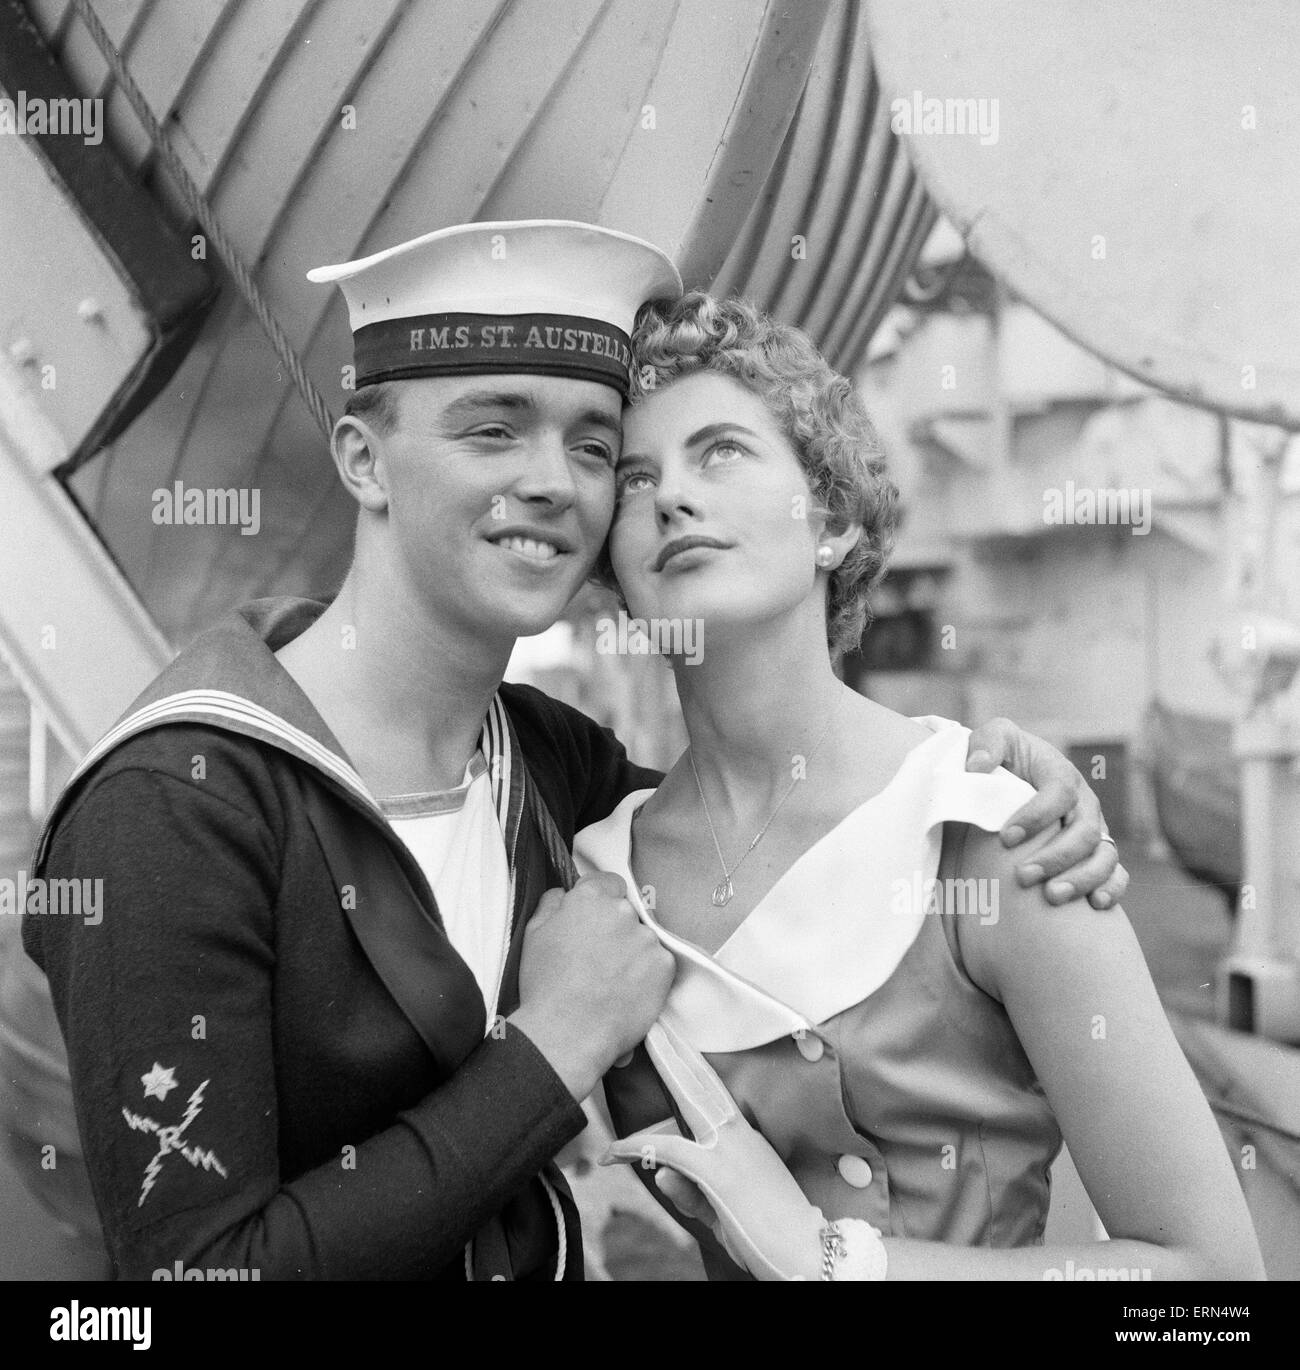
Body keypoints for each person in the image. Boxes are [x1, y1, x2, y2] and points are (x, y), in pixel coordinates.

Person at [21, 223, 1122, 1283]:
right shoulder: (173, 809)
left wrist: (990, 775)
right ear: (363, 457)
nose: (556, 480)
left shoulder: (550, 765)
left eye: (594, 446)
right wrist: (552, 1049)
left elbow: (776, 819)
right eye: (493, 429)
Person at [584, 292, 1265, 1281]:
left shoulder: (987, 826)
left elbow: (1213, 1284)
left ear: (828, 522)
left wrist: (835, 1257)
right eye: (634, 475)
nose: (671, 495)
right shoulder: (594, 869)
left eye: (720, 450)